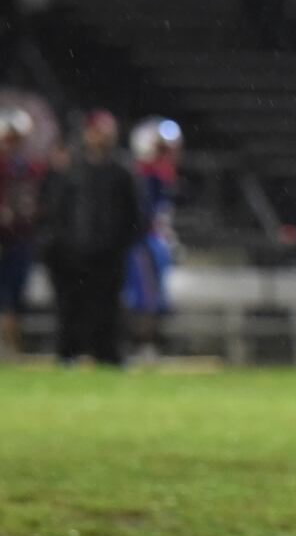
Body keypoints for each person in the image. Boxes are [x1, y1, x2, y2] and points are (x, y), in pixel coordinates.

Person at [38, 109, 145, 367]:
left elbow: (135, 214)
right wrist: (59, 244)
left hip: (107, 255)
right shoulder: (70, 169)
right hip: (69, 254)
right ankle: (69, 353)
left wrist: (119, 244)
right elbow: (53, 209)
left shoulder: (121, 171)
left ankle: (106, 354)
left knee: (106, 308)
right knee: (70, 308)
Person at [124, 116, 182, 362]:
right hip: (144, 240)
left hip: (155, 239)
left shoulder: (158, 173)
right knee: (145, 296)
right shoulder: (147, 173)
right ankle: (141, 344)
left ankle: (145, 343)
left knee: (151, 296)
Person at [0, 105, 41, 355]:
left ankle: (11, 342)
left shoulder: (29, 167)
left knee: (15, 292)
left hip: (20, 236)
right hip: (4, 237)